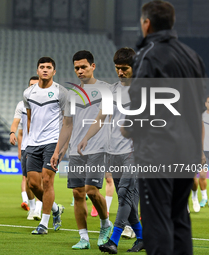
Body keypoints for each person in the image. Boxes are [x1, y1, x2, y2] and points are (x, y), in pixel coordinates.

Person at [121, 1, 206, 254]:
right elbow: (198, 108)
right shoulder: (193, 56)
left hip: (158, 152)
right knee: (179, 220)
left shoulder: (149, 55)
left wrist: (128, 128)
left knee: (156, 222)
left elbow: (140, 105)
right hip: (187, 151)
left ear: (146, 24)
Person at [78, 47, 144, 254]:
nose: (120, 72)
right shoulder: (112, 90)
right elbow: (101, 118)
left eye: (124, 69)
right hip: (114, 152)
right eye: (117, 68)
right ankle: (142, 238)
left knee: (124, 194)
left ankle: (113, 240)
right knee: (128, 200)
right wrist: (86, 138)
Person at [50, 50, 113, 249]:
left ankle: (105, 224)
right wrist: (58, 150)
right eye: (76, 68)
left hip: (98, 148)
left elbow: (107, 118)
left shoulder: (106, 90)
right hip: (76, 151)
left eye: (83, 67)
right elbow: (67, 124)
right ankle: (83, 237)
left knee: (92, 191)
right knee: (77, 193)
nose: (80, 71)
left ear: (93, 66)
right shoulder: (71, 94)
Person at [23, 57, 67, 234]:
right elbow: (29, 117)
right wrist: (29, 139)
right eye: (42, 67)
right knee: (33, 184)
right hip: (33, 143)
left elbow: (66, 121)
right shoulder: (28, 93)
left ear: (54, 72)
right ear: (37, 69)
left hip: (52, 141)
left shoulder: (60, 92)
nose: (45, 70)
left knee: (47, 181)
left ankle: (44, 223)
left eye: (49, 67)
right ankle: (56, 209)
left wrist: (60, 148)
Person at [9, 76, 43, 220]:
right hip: (26, 147)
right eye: (30, 85)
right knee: (29, 180)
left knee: (41, 180)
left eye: (35, 85)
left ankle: (40, 209)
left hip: (43, 144)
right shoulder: (21, 105)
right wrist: (12, 132)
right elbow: (17, 122)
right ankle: (32, 207)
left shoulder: (46, 104)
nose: (32, 88)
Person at [191, 96, 209, 211]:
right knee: (193, 177)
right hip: (198, 149)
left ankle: (204, 197)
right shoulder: (201, 116)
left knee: (203, 175)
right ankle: (195, 196)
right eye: (208, 102)